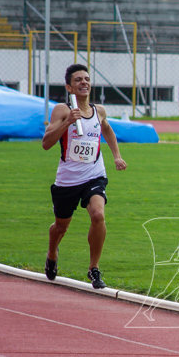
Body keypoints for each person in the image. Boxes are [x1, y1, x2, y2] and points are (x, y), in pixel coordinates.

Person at [42, 63, 128, 289]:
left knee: (98, 215)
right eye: (78, 79)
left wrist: (117, 156)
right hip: (68, 180)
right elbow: (46, 143)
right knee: (61, 227)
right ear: (69, 87)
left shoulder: (98, 110)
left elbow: (107, 129)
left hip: (94, 174)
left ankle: (94, 268)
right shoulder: (61, 110)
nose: (84, 82)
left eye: (87, 79)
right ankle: (52, 252)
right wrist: (69, 122)